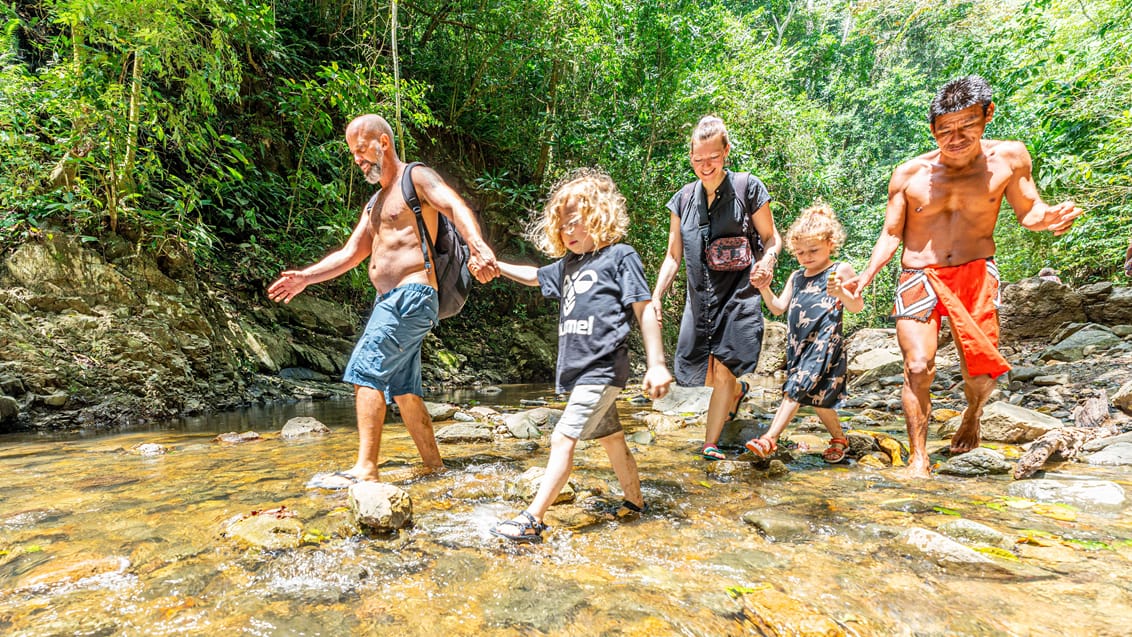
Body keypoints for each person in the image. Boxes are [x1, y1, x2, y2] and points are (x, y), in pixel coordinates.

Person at [842, 76, 1081, 478]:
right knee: (918, 366)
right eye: (943, 131)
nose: (953, 138)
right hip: (918, 272)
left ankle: (972, 413)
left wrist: (1050, 218)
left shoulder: (1009, 158)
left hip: (976, 271)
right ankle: (920, 457)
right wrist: (867, 274)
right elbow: (890, 233)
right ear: (932, 129)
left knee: (981, 374)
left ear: (987, 115)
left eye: (965, 127)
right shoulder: (909, 174)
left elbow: (1030, 212)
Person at [267, 114, 499, 487]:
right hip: (389, 299)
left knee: (365, 370)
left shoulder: (416, 177)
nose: (358, 160)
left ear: (383, 143)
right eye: (353, 154)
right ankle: (434, 466)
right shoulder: (374, 203)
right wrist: (306, 277)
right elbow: (350, 254)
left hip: (412, 293)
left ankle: (366, 468)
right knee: (405, 390)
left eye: (361, 150)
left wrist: (479, 246)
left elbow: (455, 207)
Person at [490, 169, 672, 543]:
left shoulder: (621, 257)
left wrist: (656, 363)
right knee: (613, 440)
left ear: (600, 217)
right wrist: (496, 266)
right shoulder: (569, 266)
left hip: (603, 368)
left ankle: (532, 519)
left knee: (562, 438)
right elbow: (533, 275)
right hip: (580, 371)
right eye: (562, 226)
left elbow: (644, 309)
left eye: (577, 223)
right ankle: (635, 503)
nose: (568, 233)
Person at [652, 116, 782, 461]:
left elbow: (771, 238)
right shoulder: (681, 200)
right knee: (702, 372)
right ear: (690, 157)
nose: (705, 166)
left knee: (724, 367)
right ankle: (736, 392)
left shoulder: (747, 188)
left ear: (726, 152)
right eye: (698, 159)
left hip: (740, 292)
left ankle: (709, 443)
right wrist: (657, 295)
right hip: (701, 297)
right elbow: (672, 255)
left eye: (713, 158)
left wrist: (768, 262)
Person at [744, 203, 864, 462]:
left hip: (825, 343)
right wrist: (764, 287)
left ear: (831, 244)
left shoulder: (839, 270)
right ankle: (839, 439)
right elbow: (777, 308)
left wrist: (841, 293)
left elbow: (856, 306)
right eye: (800, 252)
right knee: (818, 397)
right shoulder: (797, 277)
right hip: (799, 345)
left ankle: (769, 439)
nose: (806, 257)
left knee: (797, 388)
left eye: (813, 250)